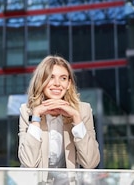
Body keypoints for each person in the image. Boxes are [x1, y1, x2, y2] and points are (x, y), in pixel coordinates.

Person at [17, 55, 100, 183]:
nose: (57, 83)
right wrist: (36, 116)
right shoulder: (27, 110)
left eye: (63, 78)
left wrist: (76, 118)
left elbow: (91, 163)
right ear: (41, 81)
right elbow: (29, 163)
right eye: (51, 77)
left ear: (68, 84)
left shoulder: (83, 110)